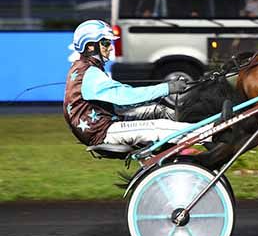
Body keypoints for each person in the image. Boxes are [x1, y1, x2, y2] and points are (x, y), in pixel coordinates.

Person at [63, 20, 213, 147]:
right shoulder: (90, 73)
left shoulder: (84, 68)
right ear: (90, 46)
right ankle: (212, 134)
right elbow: (126, 97)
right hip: (102, 131)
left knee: (157, 110)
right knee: (159, 126)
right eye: (105, 43)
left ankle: (200, 122)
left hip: (104, 122)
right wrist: (167, 88)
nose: (110, 48)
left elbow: (120, 94)